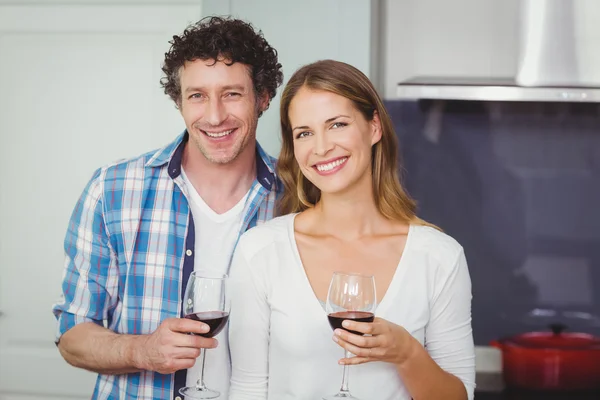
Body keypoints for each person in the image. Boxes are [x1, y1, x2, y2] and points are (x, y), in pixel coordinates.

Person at [51, 16, 283, 400]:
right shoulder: (112, 190)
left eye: (232, 94)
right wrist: (142, 351)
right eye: (197, 96)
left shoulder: (298, 198)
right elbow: (72, 337)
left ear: (263, 97)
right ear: (179, 102)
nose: (214, 116)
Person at [227, 60, 475, 400]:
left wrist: (406, 352)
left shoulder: (440, 257)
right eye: (305, 133)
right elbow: (247, 390)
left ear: (374, 127)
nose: (321, 147)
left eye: (338, 124)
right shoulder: (259, 251)